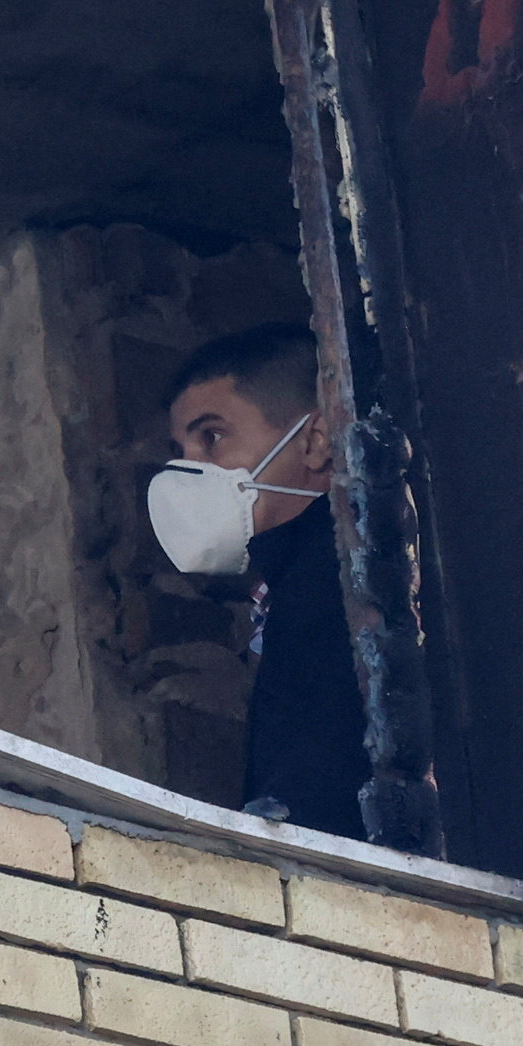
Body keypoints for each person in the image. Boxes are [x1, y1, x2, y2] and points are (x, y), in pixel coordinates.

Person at [147, 324, 369, 838]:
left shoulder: (347, 576)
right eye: (180, 449)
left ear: (314, 442)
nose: (189, 469)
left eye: (212, 437)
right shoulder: (283, 594)